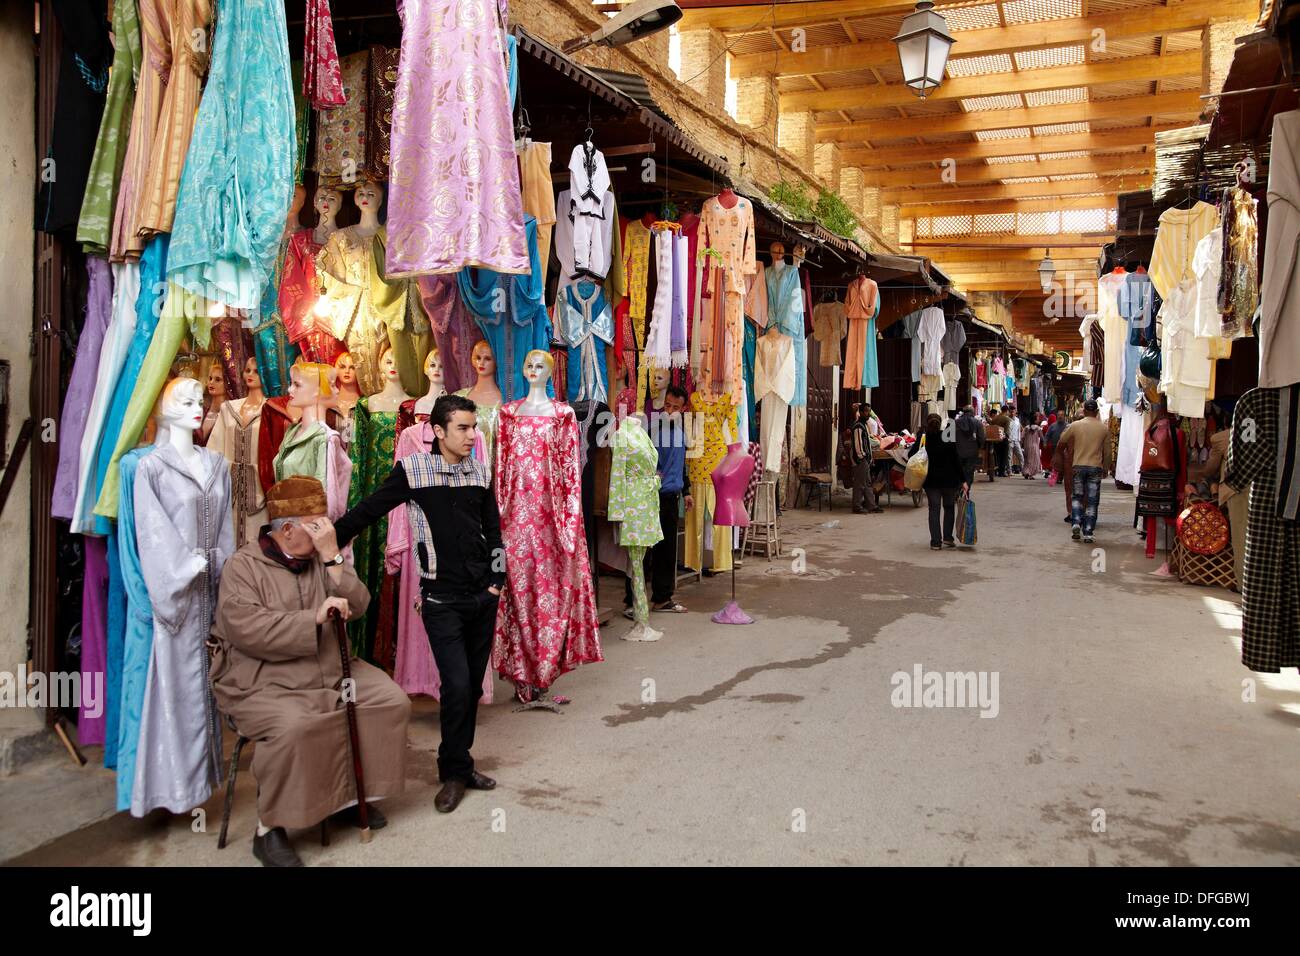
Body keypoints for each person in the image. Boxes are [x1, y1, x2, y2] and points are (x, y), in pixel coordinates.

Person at [210, 476, 411, 867]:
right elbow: (244, 629)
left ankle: (347, 798)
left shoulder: (323, 556)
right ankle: (270, 828)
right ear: (288, 529)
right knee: (295, 727)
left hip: (331, 668)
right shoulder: (243, 567)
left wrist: (334, 558)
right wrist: (311, 619)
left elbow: (360, 603)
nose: (326, 532)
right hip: (262, 679)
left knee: (389, 701)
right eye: (317, 526)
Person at [333, 394, 504, 814]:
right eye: (462, 428)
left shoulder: (480, 472)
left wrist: (497, 583)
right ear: (439, 431)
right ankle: (452, 774)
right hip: (440, 598)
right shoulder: (413, 471)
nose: (471, 435)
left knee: (468, 688)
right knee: (458, 685)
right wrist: (327, 540)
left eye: (474, 427)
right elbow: (369, 510)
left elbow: (494, 532)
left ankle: (460, 766)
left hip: (482, 597)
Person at [625, 383, 693, 615]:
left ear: (683, 409)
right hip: (651, 495)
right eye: (667, 405)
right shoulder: (652, 431)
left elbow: (682, 466)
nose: (670, 410)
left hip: (671, 497)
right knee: (644, 550)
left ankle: (662, 598)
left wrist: (687, 492)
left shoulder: (682, 433)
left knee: (667, 551)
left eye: (675, 407)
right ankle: (633, 601)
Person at [910, 413, 967, 550]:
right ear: (940, 423)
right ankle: (947, 538)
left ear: (927, 423)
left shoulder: (923, 438)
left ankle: (935, 542)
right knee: (948, 508)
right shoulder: (948, 437)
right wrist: (963, 480)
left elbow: (910, 455)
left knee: (934, 510)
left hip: (931, 481)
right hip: (949, 481)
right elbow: (956, 461)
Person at [1058, 399, 1111, 543]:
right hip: (1095, 468)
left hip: (1078, 466)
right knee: (1092, 501)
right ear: (1097, 412)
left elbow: (1062, 439)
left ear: (1085, 411)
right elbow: (1107, 452)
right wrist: (1106, 468)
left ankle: (1076, 523)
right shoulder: (1104, 428)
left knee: (1077, 497)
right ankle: (1088, 532)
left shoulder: (1075, 425)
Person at [850, 403, 884, 514]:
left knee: (867, 483)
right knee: (860, 484)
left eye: (869, 411)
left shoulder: (864, 425)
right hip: (860, 460)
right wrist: (862, 458)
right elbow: (858, 445)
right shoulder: (858, 426)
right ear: (860, 412)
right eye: (865, 411)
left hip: (865, 460)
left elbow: (866, 443)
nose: (867, 413)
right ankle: (857, 506)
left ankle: (871, 505)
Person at [953, 406, 984, 492]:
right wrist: (979, 447)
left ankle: (958, 491)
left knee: (958, 471)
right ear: (973, 412)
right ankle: (966, 492)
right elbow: (981, 438)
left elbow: (948, 438)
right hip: (972, 453)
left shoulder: (955, 422)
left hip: (957, 452)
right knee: (969, 473)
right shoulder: (978, 423)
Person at [989, 405, 1012, 477]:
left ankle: (997, 471)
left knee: (998, 456)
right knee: (1004, 456)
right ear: (1007, 411)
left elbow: (991, 427)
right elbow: (1007, 431)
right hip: (1003, 439)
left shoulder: (994, 418)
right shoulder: (1007, 419)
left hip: (995, 439)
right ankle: (1002, 472)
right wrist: (1008, 437)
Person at [1022, 414, 1043, 479]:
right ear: (1035, 420)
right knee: (1034, 461)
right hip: (1035, 447)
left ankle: (1026, 472)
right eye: (1037, 419)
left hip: (1027, 446)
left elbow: (1022, 437)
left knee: (1027, 460)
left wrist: (1022, 444)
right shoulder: (1038, 428)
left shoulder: (1026, 428)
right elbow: (1042, 437)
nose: (1039, 420)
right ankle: (1030, 474)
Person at [1006, 410, 1023, 475]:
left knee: (1020, 455)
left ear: (1015, 413)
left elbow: (1020, 428)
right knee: (1009, 456)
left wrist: (1020, 439)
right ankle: (1009, 471)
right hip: (1010, 440)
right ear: (1009, 412)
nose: (1012, 413)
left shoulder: (1017, 420)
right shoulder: (1007, 419)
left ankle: (1023, 469)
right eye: (1011, 412)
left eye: (1014, 412)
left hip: (1016, 440)